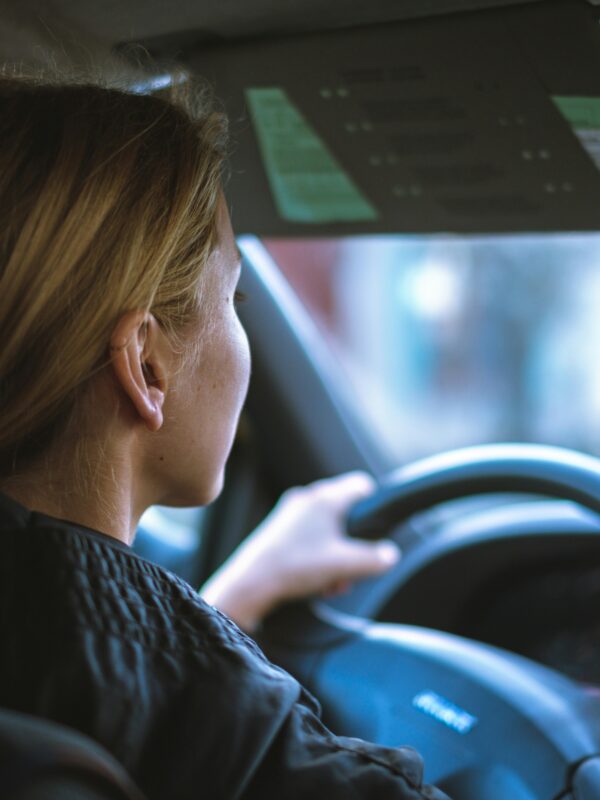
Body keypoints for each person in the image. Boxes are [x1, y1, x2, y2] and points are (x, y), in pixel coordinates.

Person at [0, 74, 449, 799]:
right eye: (233, 298)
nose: (241, 332)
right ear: (146, 364)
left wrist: (227, 602)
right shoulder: (234, 732)